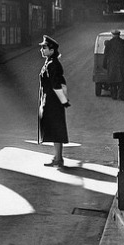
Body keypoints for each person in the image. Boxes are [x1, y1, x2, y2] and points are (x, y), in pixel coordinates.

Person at [37, 35, 70, 168]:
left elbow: (58, 84)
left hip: (53, 102)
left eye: (44, 48)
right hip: (51, 100)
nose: (42, 50)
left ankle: (58, 159)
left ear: (52, 50)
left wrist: (63, 100)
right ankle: (58, 157)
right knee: (55, 129)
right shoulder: (50, 63)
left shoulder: (53, 65)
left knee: (56, 129)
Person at [103, 30, 124, 100]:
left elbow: (106, 54)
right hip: (121, 64)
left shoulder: (109, 43)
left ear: (112, 35)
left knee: (113, 81)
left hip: (112, 64)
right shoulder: (123, 42)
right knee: (121, 81)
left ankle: (114, 95)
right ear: (119, 35)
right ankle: (121, 95)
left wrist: (104, 64)